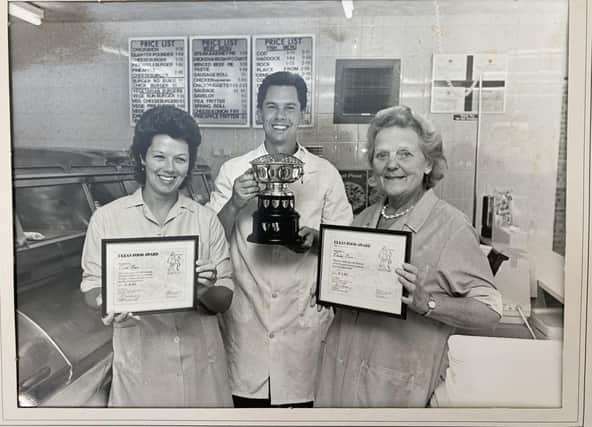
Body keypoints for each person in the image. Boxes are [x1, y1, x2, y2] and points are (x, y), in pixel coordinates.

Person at [315, 105, 502, 408]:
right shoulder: (363, 220)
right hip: (337, 382)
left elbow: (490, 309)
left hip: (396, 391)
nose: (392, 164)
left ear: (428, 163)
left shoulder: (450, 227)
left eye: (405, 154)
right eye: (382, 155)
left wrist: (427, 303)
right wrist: (332, 287)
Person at [206, 71, 353, 407]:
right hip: (247, 328)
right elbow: (209, 240)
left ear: (302, 114)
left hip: (302, 327)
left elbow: (346, 248)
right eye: (271, 107)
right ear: (259, 113)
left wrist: (315, 239)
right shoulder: (233, 170)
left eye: (290, 107)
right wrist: (234, 203)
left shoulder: (325, 173)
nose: (280, 116)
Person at [80, 105, 234, 407]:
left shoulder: (205, 220)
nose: (169, 168)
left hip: (200, 367)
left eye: (180, 159)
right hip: (141, 372)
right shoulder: (107, 219)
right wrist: (108, 301)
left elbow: (224, 299)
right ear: (142, 157)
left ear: (189, 164)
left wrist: (204, 289)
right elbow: (91, 285)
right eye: (159, 156)